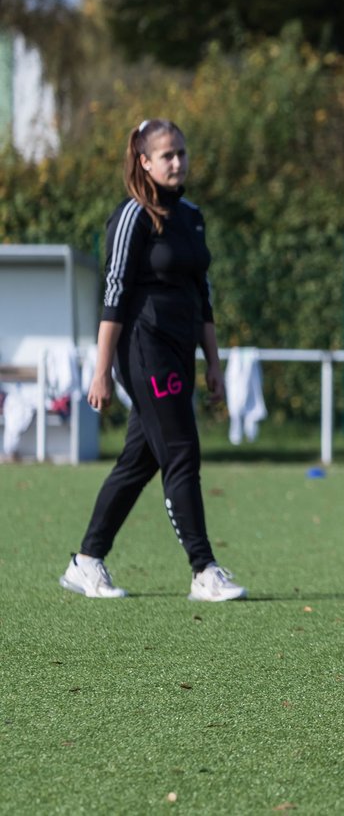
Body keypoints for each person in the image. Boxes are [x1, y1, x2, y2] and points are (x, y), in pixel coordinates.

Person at [58, 119, 247, 602]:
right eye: (167, 155)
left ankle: (86, 561)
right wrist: (101, 369)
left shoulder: (192, 216)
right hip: (143, 348)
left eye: (182, 152)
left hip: (182, 351)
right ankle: (204, 569)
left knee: (139, 460)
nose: (177, 162)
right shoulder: (132, 217)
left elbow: (202, 297)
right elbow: (115, 294)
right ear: (144, 161)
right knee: (182, 451)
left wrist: (214, 364)